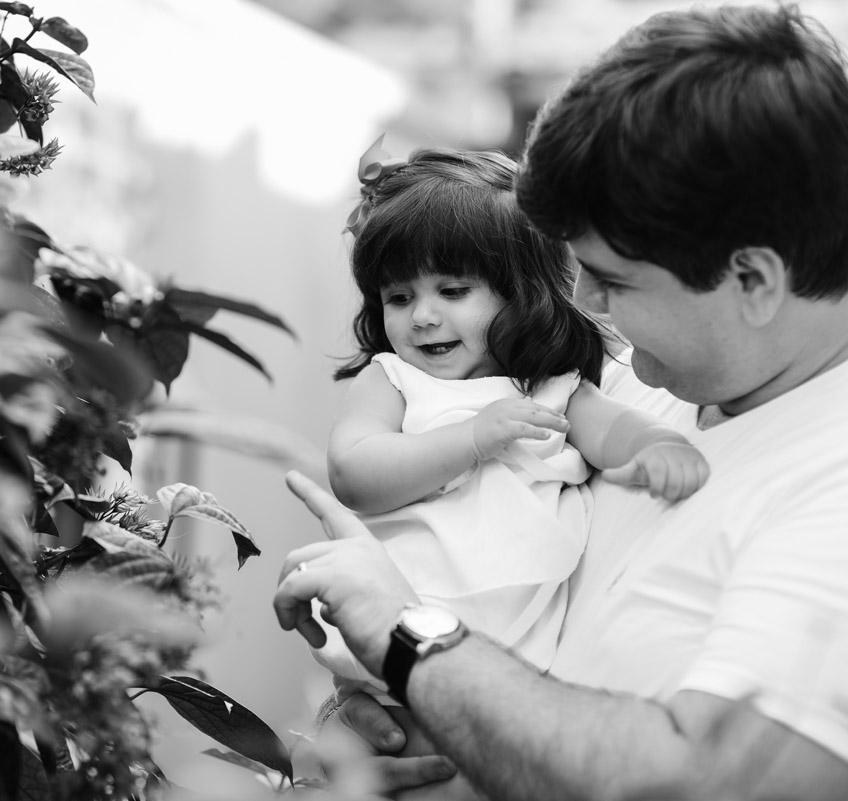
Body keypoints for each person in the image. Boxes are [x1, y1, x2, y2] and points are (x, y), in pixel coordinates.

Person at [275, 4, 848, 800]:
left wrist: (408, 636)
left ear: (752, 279)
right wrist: (357, 741)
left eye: (613, 279)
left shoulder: (829, 488)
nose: (583, 303)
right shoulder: (640, 377)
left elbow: (703, 781)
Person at [311, 142, 709, 789]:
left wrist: (657, 448)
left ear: (520, 289)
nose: (423, 316)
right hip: (397, 655)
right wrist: (472, 437)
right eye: (399, 296)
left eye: (452, 290)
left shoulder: (551, 389)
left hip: (516, 672)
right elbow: (354, 471)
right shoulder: (395, 380)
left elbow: (613, 428)